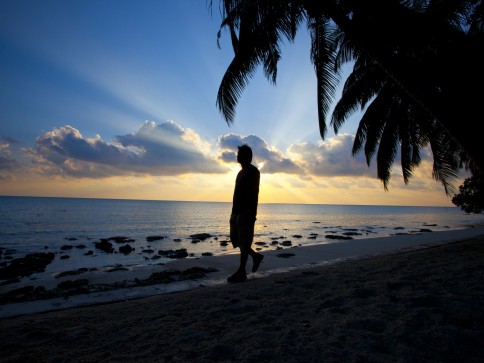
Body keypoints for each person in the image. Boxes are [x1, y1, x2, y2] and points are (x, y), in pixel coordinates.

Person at [228, 144, 264, 283]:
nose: (237, 156)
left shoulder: (253, 171)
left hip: (246, 212)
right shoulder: (240, 172)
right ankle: (255, 256)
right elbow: (236, 194)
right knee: (236, 240)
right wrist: (233, 212)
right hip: (236, 211)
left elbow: (254, 193)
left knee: (244, 241)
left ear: (246, 156)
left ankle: (241, 271)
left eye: (239, 154)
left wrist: (250, 212)